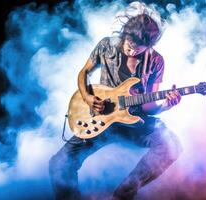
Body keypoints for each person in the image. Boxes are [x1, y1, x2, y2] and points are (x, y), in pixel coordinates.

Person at [49, 12, 183, 200]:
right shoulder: (106, 46)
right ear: (124, 35)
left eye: (139, 48)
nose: (132, 50)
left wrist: (165, 106)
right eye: (129, 44)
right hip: (102, 119)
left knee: (172, 147)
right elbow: (84, 73)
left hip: (135, 122)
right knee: (59, 164)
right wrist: (88, 98)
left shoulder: (156, 61)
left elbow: (149, 106)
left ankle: (123, 194)